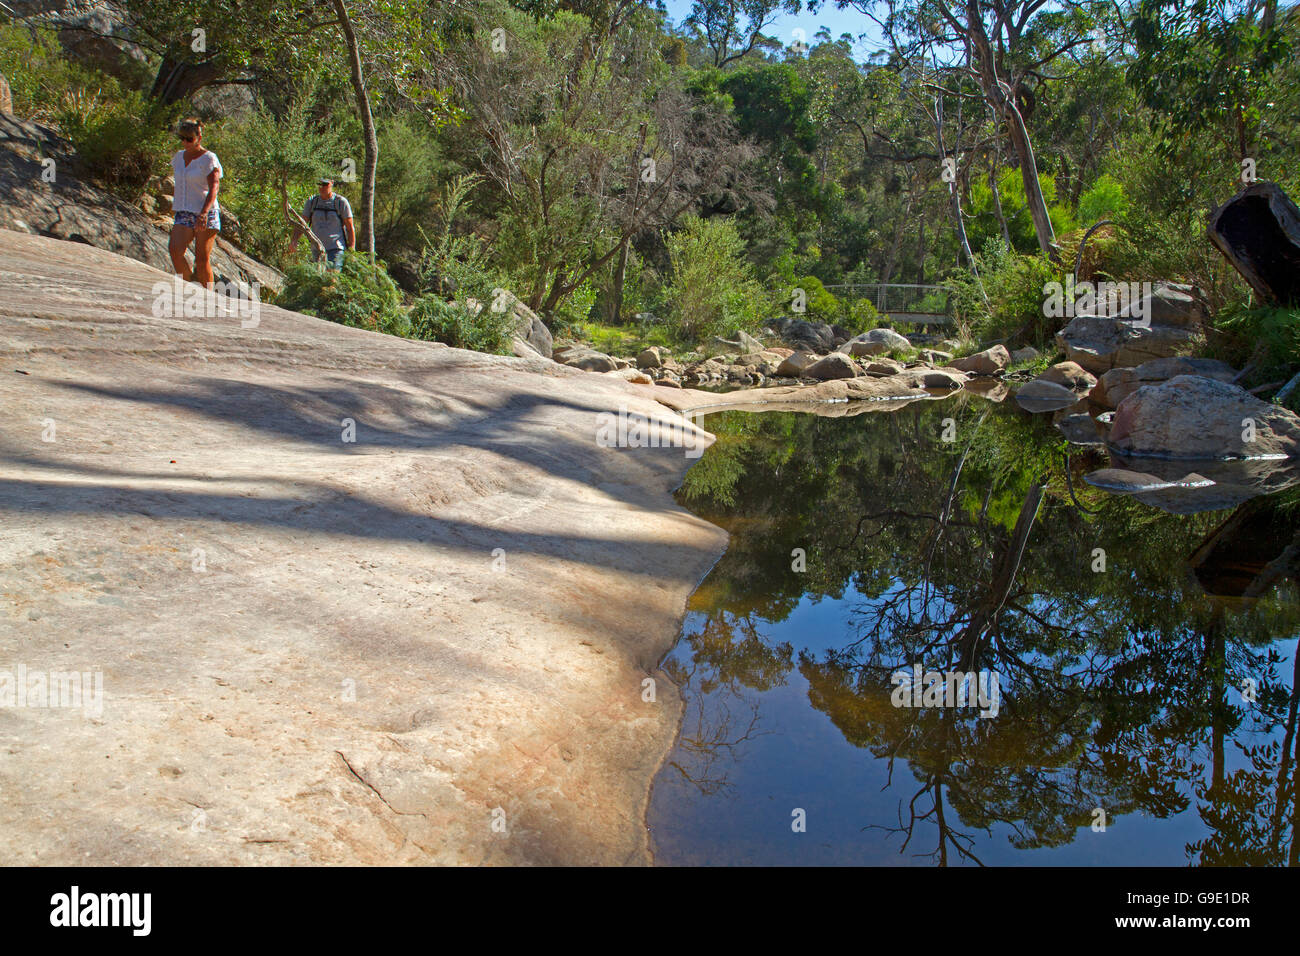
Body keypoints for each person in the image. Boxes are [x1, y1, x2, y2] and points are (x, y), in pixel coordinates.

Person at [168, 118, 222, 289]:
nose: (185, 142)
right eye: (181, 138)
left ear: (199, 137)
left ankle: (208, 298)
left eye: (189, 139)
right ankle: (188, 287)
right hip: (184, 211)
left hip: (205, 213)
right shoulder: (178, 157)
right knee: (175, 250)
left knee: (201, 259)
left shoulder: (208, 159)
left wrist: (204, 213)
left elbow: (214, 187)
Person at [289, 178, 355, 269]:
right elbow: (302, 223)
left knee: (332, 278)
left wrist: (351, 250)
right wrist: (294, 240)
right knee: (319, 279)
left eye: (325, 184)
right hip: (317, 248)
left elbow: (350, 227)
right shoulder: (312, 202)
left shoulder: (341, 202)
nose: (322, 187)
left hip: (336, 248)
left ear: (332, 183)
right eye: (319, 184)